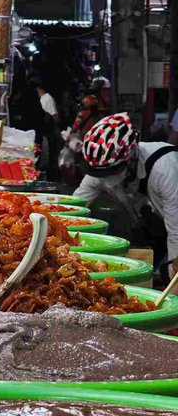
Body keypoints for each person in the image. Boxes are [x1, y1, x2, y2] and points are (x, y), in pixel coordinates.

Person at [73, 113, 178, 282]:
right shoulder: (99, 170)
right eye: (101, 173)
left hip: (174, 218)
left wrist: (173, 276)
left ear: (131, 159)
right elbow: (74, 209)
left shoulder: (164, 169)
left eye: (111, 172)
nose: (105, 179)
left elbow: (176, 233)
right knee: (138, 244)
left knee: (170, 275)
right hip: (153, 216)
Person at [31, 79, 61, 179]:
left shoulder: (47, 98)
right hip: (45, 133)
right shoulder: (39, 100)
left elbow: (55, 116)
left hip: (49, 134)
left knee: (49, 160)